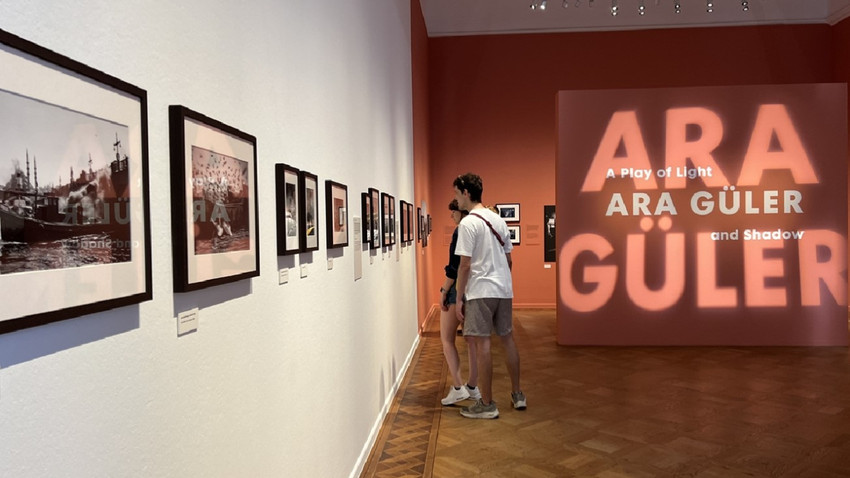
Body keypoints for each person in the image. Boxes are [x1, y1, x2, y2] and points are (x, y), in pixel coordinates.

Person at [453, 173, 525, 419]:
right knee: (507, 339)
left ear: (466, 192)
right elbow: (509, 259)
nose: (456, 199)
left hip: (481, 290)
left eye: (456, 193)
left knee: (483, 344)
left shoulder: (468, 223)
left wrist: (459, 297)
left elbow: (464, 265)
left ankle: (487, 403)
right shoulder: (498, 220)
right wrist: (503, 281)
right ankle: (518, 395)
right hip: (503, 288)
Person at [439, 199, 480, 406]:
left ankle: (458, 387)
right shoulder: (479, 228)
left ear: (459, 211)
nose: (451, 216)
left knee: (446, 339)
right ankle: (472, 386)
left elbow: (455, 267)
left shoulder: (460, 231)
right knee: (472, 341)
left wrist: (444, 290)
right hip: (475, 291)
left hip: (458, 291)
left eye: (452, 212)